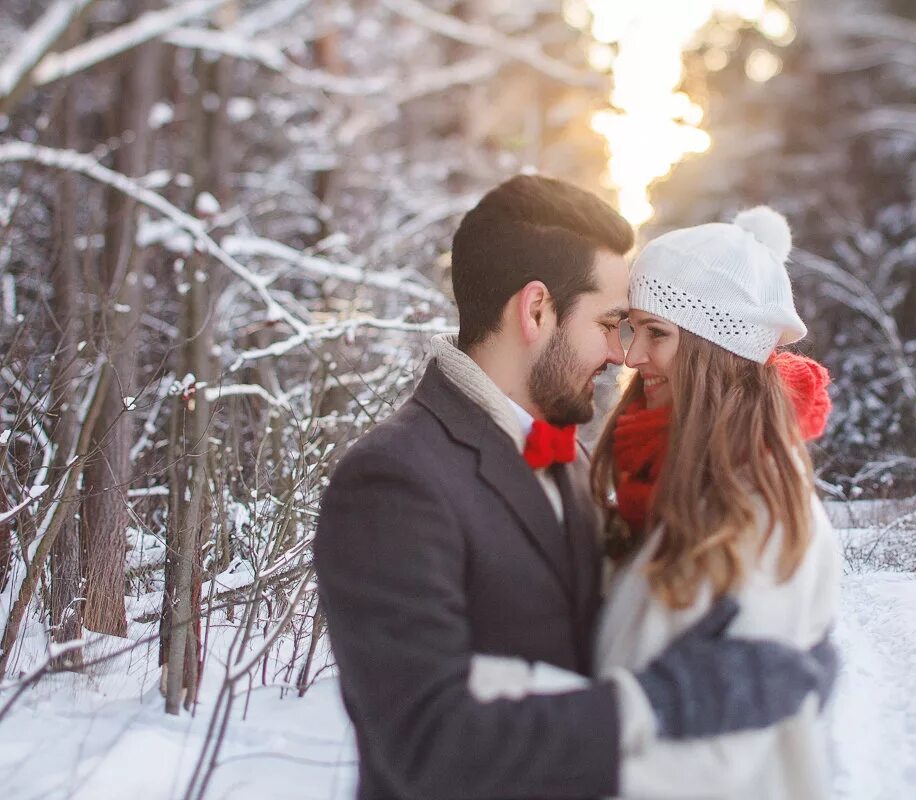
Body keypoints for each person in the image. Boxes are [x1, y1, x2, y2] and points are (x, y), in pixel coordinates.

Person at [313, 175, 838, 800]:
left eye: (646, 330)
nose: (623, 355)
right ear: (537, 310)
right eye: (613, 323)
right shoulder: (395, 480)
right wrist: (659, 703)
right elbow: (428, 740)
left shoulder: (570, 460)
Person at [476, 205, 841, 798]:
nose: (631, 355)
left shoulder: (759, 508)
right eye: (631, 329)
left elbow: (718, 762)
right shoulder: (671, 481)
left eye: (657, 333)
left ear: (715, 347)